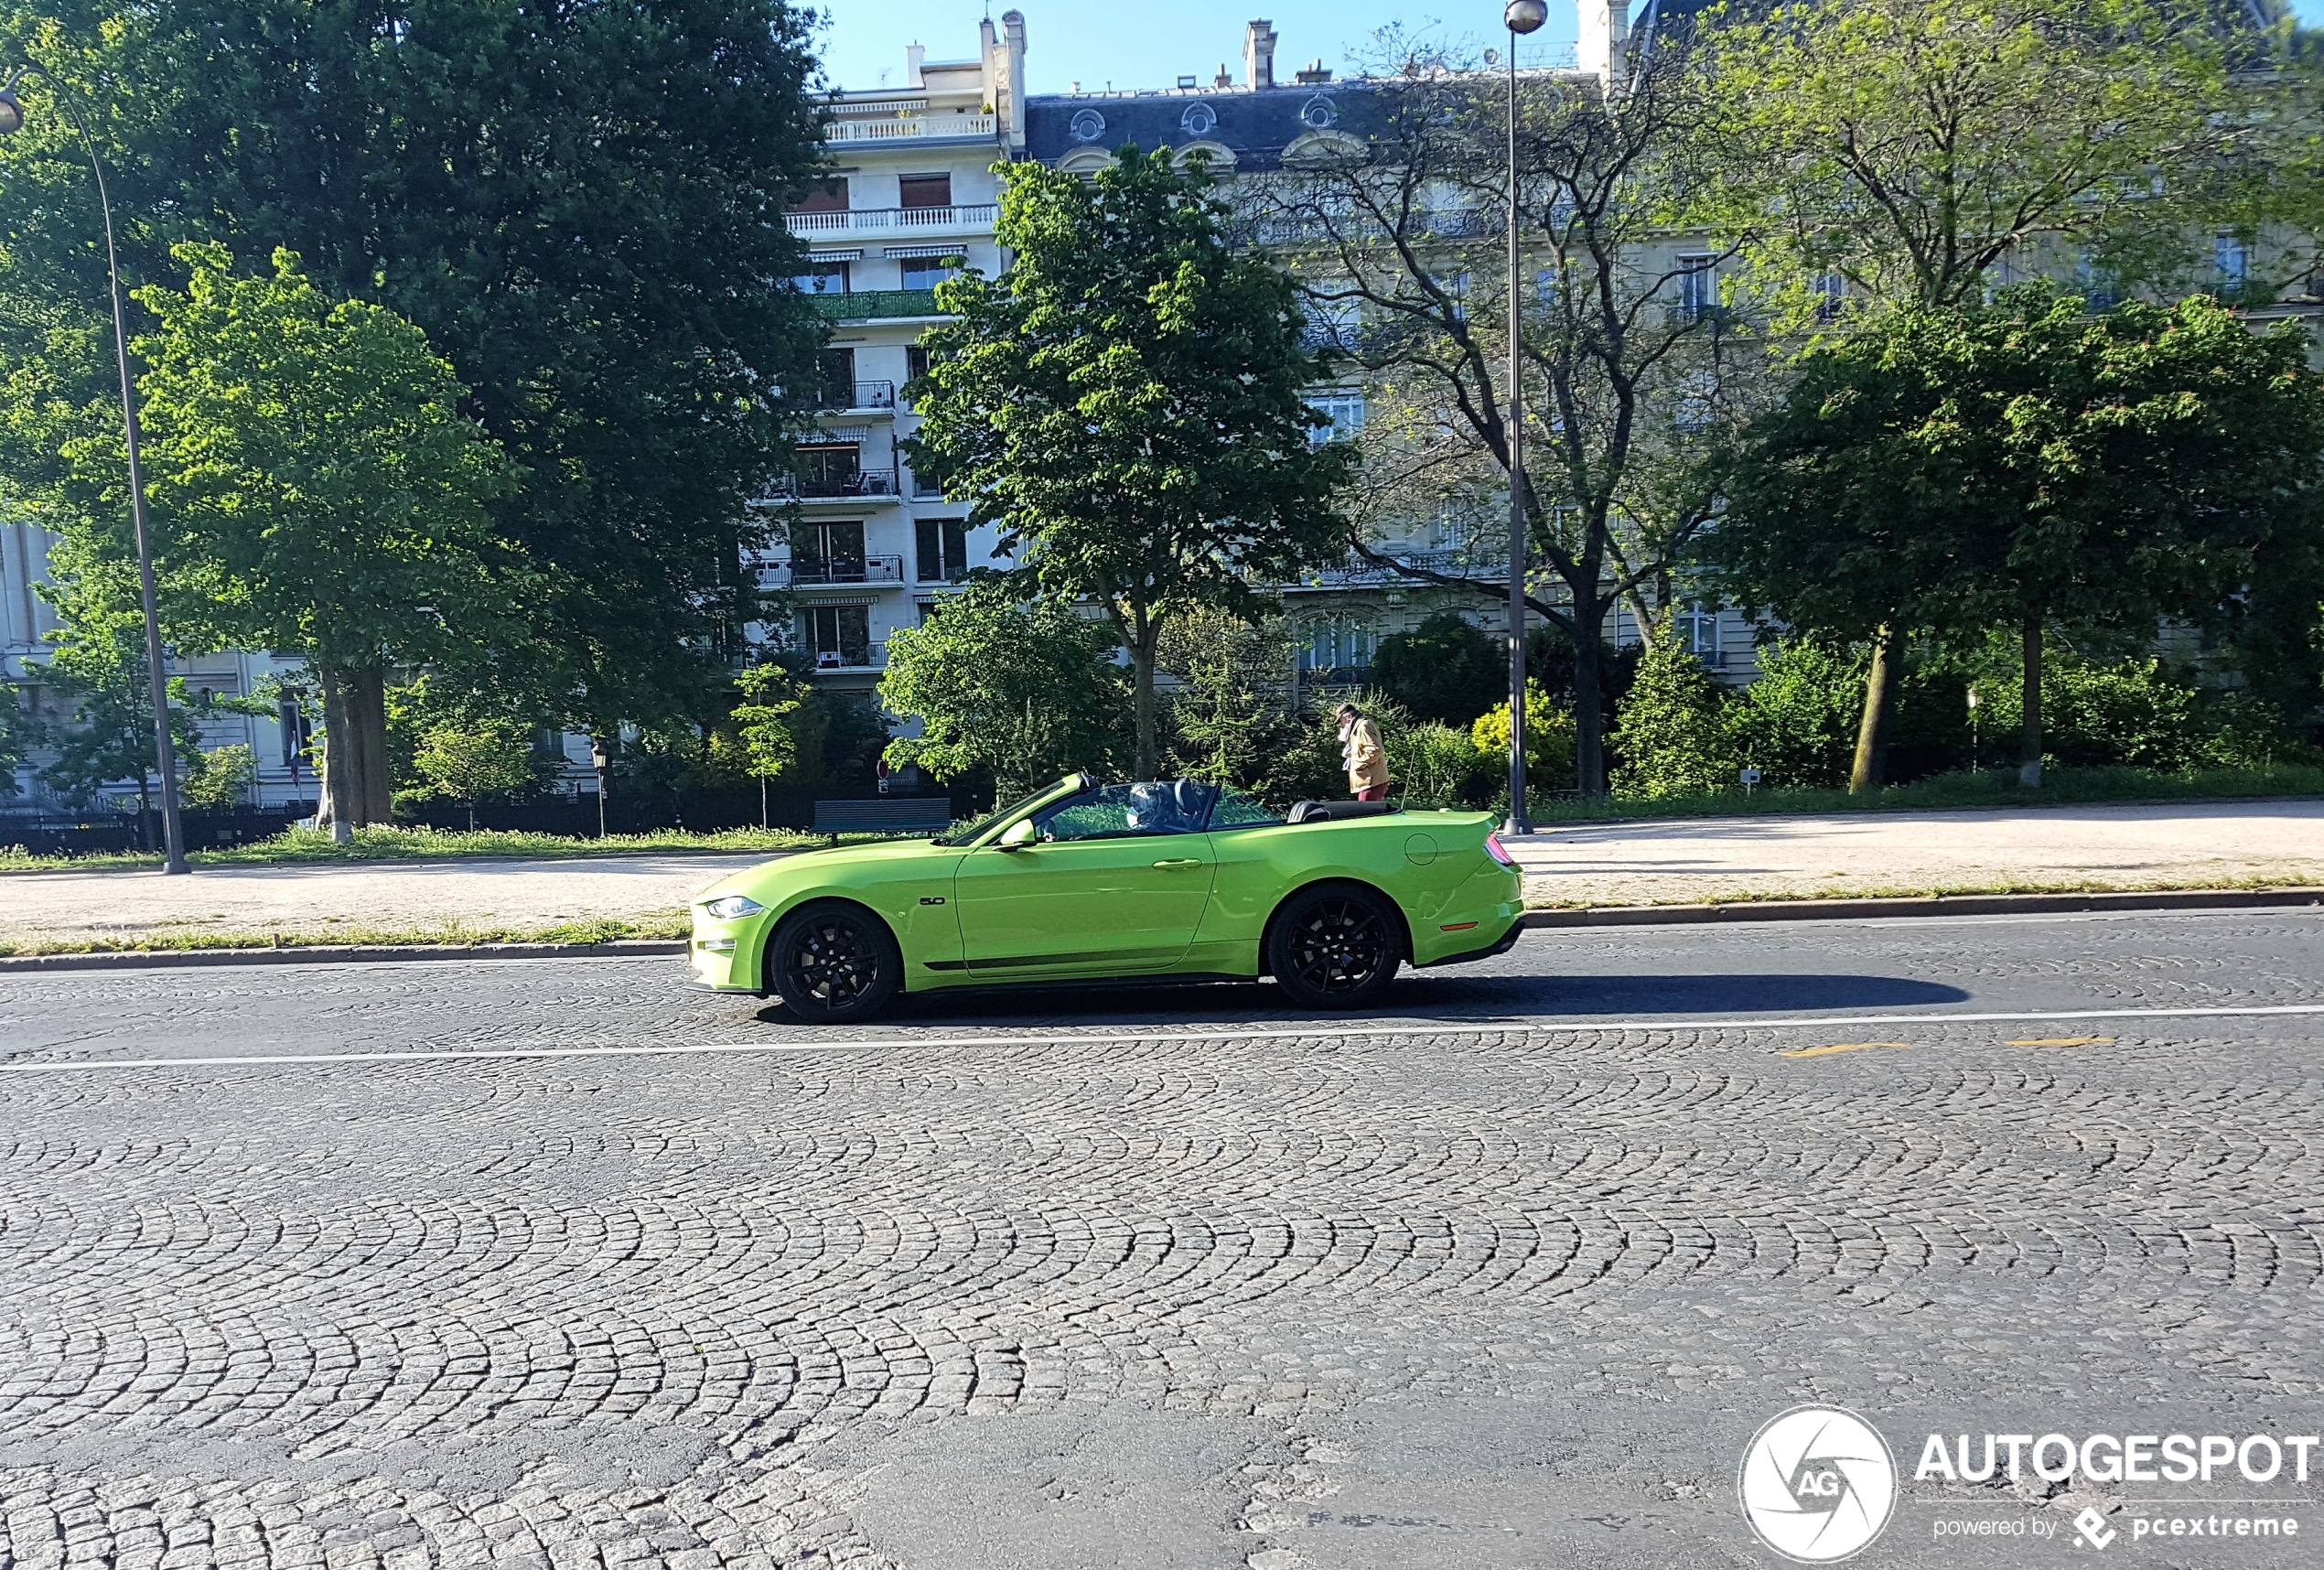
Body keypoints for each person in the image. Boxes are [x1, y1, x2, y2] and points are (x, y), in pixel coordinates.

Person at [1338, 703, 1391, 801]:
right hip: (1368, 782)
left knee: (1367, 814)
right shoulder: (1357, 728)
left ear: (1348, 717)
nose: (1342, 725)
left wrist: (1357, 764)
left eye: (1341, 721)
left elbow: (1375, 751)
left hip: (1372, 782)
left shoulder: (1364, 726)